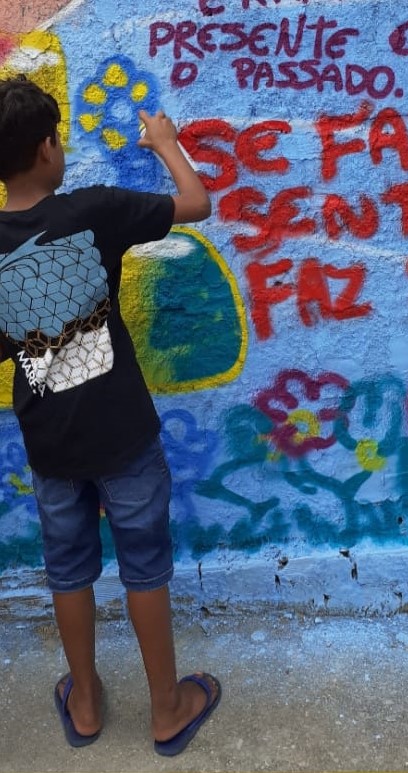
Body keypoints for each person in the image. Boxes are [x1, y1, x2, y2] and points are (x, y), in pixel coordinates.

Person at [0, 75, 220, 757]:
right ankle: (167, 708)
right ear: (46, 148)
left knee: (68, 569)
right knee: (144, 565)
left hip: (50, 442)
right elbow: (197, 203)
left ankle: (87, 702)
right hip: (123, 432)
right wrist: (165, 143)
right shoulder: (95, 210)